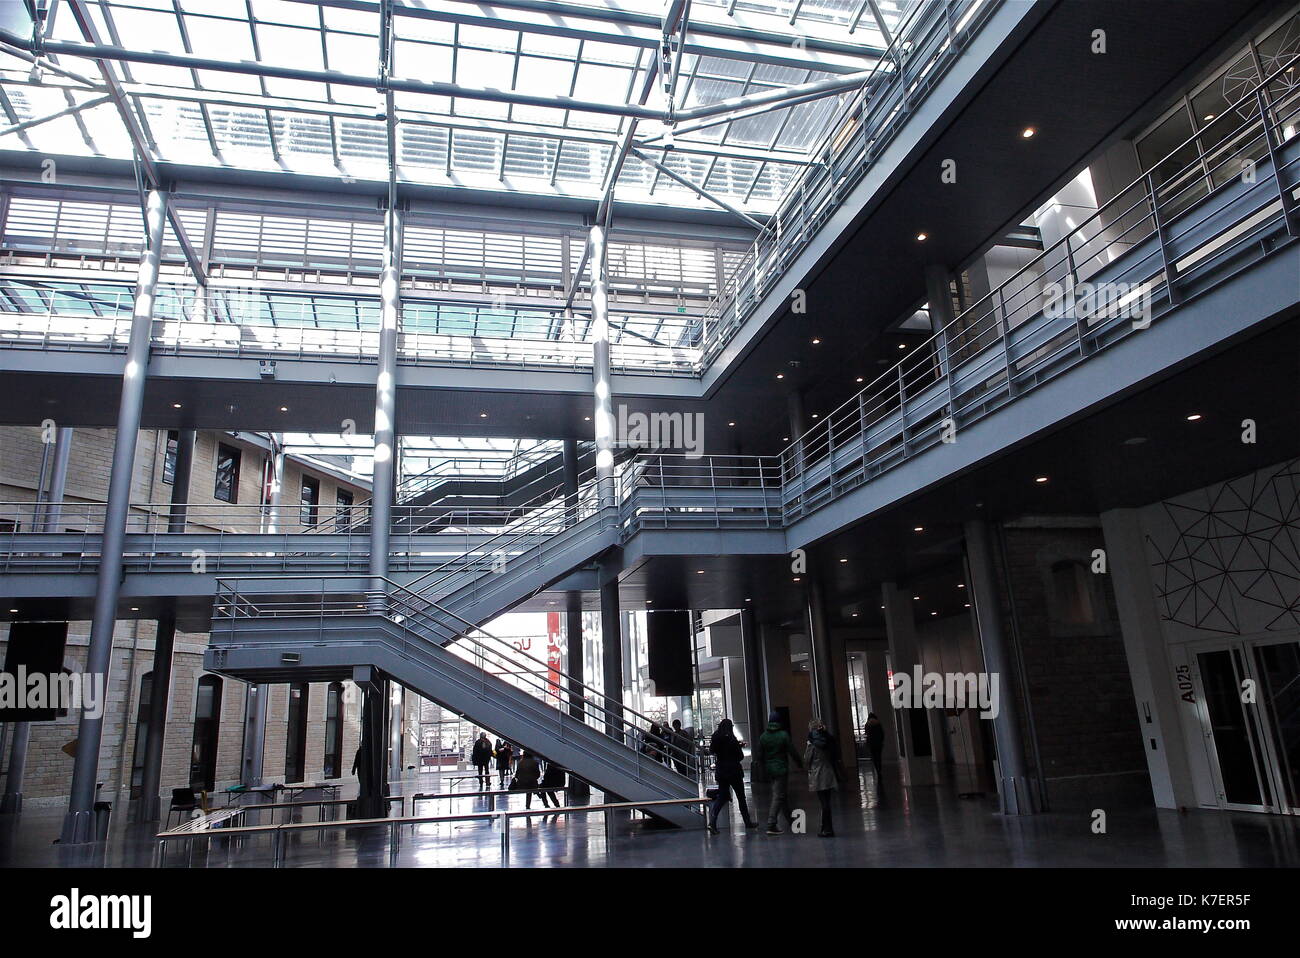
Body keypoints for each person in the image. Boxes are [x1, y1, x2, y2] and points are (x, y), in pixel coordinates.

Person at [755, 712, 802, 834]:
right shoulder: (783, 735)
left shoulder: (763, 736)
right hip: (781, 768)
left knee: (781, 794)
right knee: (778, 795)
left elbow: (759, 754)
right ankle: (771, 823)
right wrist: (799, 763)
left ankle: (790, 820)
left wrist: (761, 768)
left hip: (769, 769)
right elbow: (792, 751)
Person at [706, 718, 755, 834]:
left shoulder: (716, 738)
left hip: (722, 772)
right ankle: (747, 822)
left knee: (722, 796)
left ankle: (712, 821)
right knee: (741, 798)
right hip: (734, 772)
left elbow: (712, 750)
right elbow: (740, 756)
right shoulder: (732, 740)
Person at [805, 717, 841, 837]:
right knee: (827, 802)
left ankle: (826, 829)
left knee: (823, 803)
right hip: (828, 772)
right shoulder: (828, 739)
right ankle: (828, 828)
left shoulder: (812, 743)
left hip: (817, 773)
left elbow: (807, 759)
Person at [864, 713, 885, 794]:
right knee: (879, 757)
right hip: (879, 744)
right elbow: (882, 734)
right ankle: (879, 770)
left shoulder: (867, 724)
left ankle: (877, 770)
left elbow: (866, 734)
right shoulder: (878, 724)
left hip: (871, 744)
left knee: (874, 758)